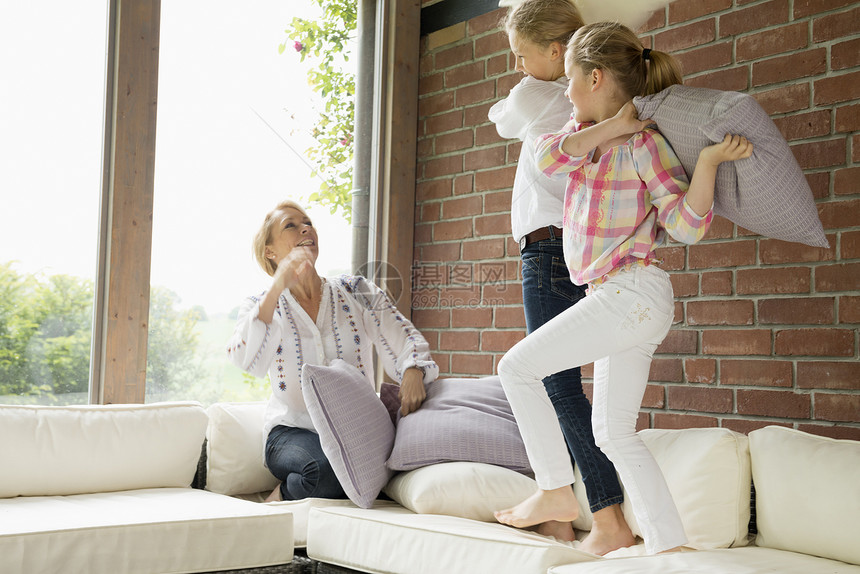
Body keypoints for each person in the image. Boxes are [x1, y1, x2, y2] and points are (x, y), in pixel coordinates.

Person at [494, 22, 752, 555]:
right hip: (616, 301)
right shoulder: (581, 141)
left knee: (515, 367)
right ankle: (671, 550)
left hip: (633, 293)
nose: (564, 91)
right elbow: (545, 158)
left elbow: (684, 224)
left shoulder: (644, 146)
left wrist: (705, 165)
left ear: (594, 77)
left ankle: (554, 490)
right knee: (613, 433)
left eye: (569, 80)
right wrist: (610, 128)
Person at [488, 0, 634, 554]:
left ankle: (604, 515)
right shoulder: (592, 100)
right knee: (562, 381)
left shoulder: (534, 94)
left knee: (557, 383)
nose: (517, 66)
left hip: (545, 250)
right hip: (569, 249)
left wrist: (519, 92)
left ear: (556, 51)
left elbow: (501, 120)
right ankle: (570, 509)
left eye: (521, 54)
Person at [227, 200, 438, 503]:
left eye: (308, 222)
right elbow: (243, 359)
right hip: (291, 433)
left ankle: (291, 496)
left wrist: (413, 370)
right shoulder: (261, 305)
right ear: (270, 252)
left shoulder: (356, 290)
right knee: (325, 469)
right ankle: (278, 500)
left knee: (364, 471)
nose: (305, 228)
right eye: (291, 225)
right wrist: (277, 287)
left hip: (354, 432)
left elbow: (403, 336)